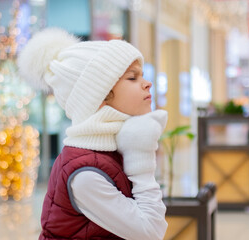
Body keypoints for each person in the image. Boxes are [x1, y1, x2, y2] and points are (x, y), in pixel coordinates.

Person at [18, 28, 168, 240]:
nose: (147, 83)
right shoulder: (86, 174)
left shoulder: (110, 149)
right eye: (132, 78)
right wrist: (140, 156)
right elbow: (151, 232)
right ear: (99, 95)